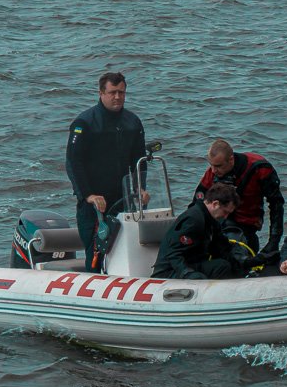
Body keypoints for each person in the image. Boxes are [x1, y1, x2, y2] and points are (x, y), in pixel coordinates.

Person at [65, 72, 149, 271]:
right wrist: (88, 195)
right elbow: (73, 163)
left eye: (121, 92)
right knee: (96, 252)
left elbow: (139, 161)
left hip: (123, 199)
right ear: (101, 93)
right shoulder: (84, 123)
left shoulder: (133, 122)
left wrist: (141, 189)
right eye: (112, 92)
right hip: (95, 203)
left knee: (128, 251)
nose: (117, 97)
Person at [192, 139, 283, 261]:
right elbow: (197, 203)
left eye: (218, 166)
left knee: (237, 251)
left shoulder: (260, 168)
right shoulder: (213, 172)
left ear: (231, 159)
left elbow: (276, 205)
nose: (213, 170)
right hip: (217, 222)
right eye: (211, 165)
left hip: (246, 224)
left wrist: (274, 241)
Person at [152, 183, 241, 280]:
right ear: (215, 204)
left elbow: (222, 249)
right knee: (220, 268)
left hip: (192, 264)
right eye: (225, 212)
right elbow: (173, 253)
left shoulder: (212, 222)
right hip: (169, 272)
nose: (225, 217)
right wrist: (186, 273)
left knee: (224, 265)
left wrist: (244, 263)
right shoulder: (193, 219)